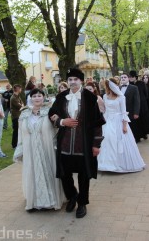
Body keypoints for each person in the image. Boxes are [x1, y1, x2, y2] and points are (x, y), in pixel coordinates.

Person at [49, 65, 105, 218]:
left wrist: (96, 144)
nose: (72, 82)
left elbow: (97, 123)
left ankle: (82, 202)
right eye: (70, 79)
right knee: (64, 174)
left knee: (83, 175)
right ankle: (72, 196)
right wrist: (62, 121)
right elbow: (52, 114)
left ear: (81, 81)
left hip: (84, 145)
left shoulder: (90, 97)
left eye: (75, 79)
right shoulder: (61, 97)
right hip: (65, 144)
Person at [13, 88, 65, 211]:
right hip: (31, 149)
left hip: (47, 148)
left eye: (39, 95)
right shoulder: (24, 113)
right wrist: (20, 148)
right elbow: (21, 132)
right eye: (34, 96)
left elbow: (58, 129)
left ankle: (51, 201)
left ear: (44, 97)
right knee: (33, 172)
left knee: (49, 171)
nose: (37, 98)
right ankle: (34, 201)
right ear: (30, 98)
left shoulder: (50, 111)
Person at [98, 78, 145, 173]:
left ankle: (120, 164)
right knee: (107, 141)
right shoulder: (105, 96)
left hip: (118, 121)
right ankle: (107, 164)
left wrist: (124, 126)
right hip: (108, 121)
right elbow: (104, 110)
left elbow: (123, 112)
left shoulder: (121, 97)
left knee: (119, 141)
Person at [129, 70, 149, 141]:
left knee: (143, 120)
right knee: (136, 122)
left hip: (142, 105)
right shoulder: (129, 85)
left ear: (135, 77)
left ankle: (144, 134)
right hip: (134, 106)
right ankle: (137, 136)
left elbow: (146, 93)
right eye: (130, 77)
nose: (131, 78)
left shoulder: (141, 83)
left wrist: (143, 100)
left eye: (132, 77)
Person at [120, 73, 140, 143]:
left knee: (132, 128)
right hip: (120, 112)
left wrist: (136, 112)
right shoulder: (118, 88)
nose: (123, 78)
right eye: (121, 77)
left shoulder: (134, 88)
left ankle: (132, 142)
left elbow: (137, 101)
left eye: (125, 77)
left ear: (128, 78)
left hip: (130, 112)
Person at [10, 84, 24, 149]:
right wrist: (21, 105)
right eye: (20, 88)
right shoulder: (13, 98)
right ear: (17, 89)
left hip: (19, 115)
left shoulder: (18, 96)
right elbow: (20, 106)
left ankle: (17, 143)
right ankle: (14, 145)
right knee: (16, 131)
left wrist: (22, 105)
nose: (21, 90)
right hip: (15, 116)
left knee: (19, 130)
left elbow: (22, 103)